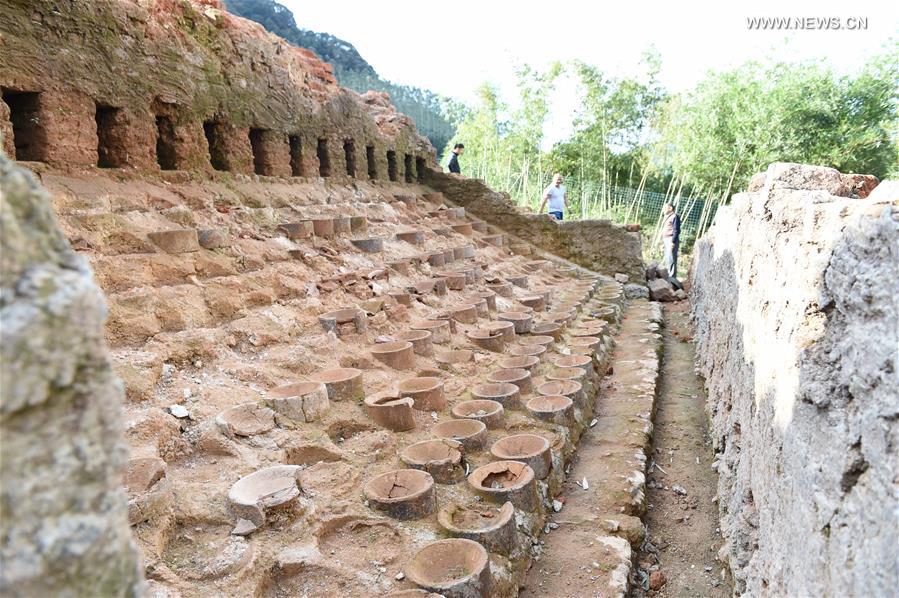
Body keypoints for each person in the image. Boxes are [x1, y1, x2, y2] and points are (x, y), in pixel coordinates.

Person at [661, 202, 681, 279]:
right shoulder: (668, 217)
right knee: (668, 258)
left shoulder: (674, 217)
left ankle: (672, 277)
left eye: (665, 208)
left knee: (671, 259)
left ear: (670, 208)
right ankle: (669, 276)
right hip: (666, 239)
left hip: (671, 239)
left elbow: (676, 230)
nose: (663, 210)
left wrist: (673, 242)